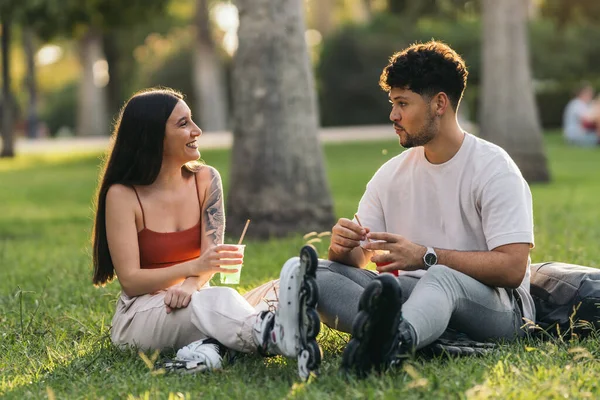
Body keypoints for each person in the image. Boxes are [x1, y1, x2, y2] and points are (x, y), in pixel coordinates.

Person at [315, 41, 535, 377]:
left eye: (403, 103)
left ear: (439, 104)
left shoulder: (494, 168)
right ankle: (408, 333)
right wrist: (341, 248)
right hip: (416, 297)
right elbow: (360, 260)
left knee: (441, 278)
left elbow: (512, 268)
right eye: (393, 103)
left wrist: (426, 255)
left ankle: (392, 344)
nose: (393, 115)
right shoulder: (391, 174)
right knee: (315, 272)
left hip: (500, 309)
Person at [91, 88, 321, 380]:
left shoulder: (206, 179)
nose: (196, 130)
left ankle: (210, 349)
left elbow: (211, 261)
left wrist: (190, 285)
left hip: (195, 299)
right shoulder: (122, 195)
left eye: (192, 120)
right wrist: (193, 270)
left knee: (273, 289)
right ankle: (271, 335)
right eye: (183, 124)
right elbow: (132, 281)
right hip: (140, 315)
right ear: (152, 136)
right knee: (216, 301)